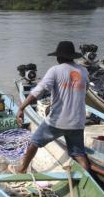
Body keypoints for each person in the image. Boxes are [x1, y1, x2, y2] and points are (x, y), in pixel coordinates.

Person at [14, 40, 91, 173]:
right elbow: (86, 89)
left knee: (34, 142)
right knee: (79, 154)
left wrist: (21, 108)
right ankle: (88, 176)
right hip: (78, 122)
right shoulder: (83, 71)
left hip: (57, 122)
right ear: (72, 56)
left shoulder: (55, 70)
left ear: (59, 57)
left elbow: (38, 91)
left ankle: (21, 168)